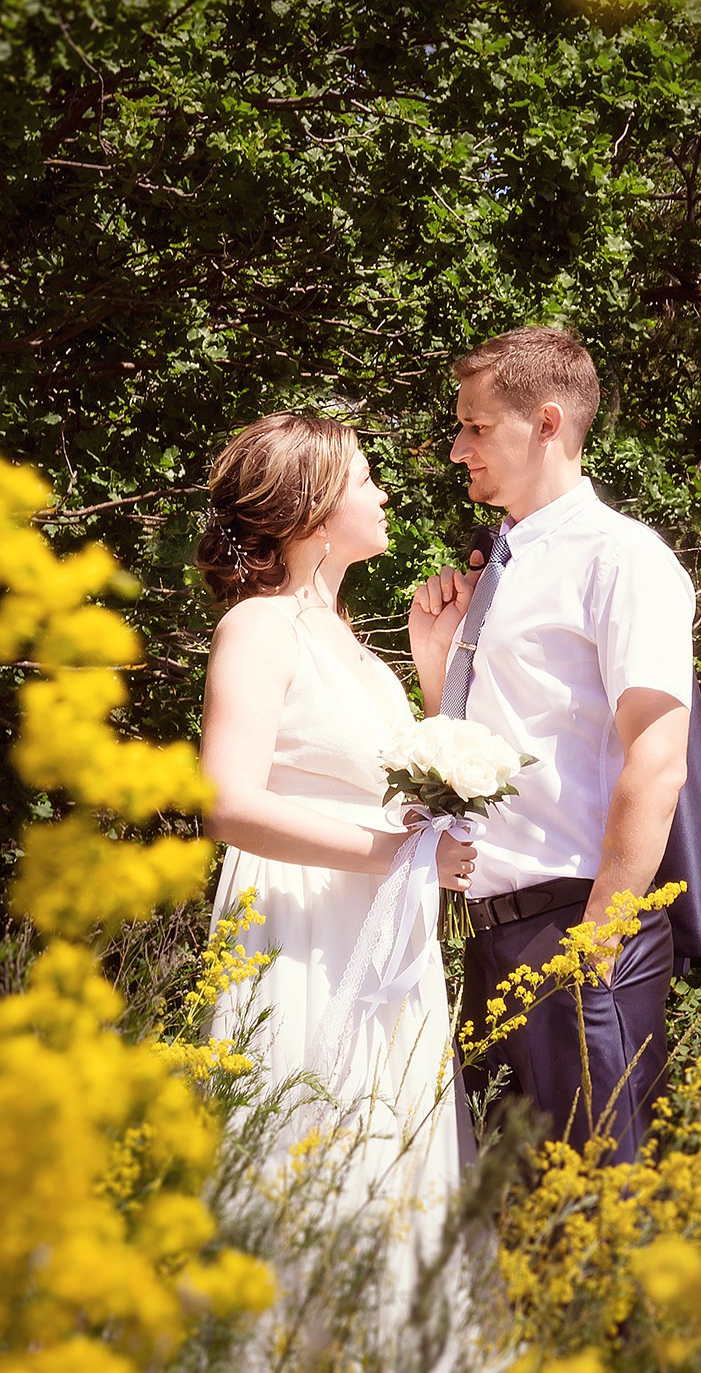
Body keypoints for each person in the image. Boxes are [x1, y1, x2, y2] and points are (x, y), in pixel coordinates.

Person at [195, 411, 472, 1340]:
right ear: (313, 510)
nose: (385, 493)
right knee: (306, 1157)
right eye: (365, 479)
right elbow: (226, 803)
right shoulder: (260, 627)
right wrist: (394, 856)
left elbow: (408, 797)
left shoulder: (359, 649)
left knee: (388, 1163)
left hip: (381, 934)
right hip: (300, 921)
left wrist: (433, 673)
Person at [409, 325, 701, 1165]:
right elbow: (485, 755)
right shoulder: (499, 569)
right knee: (509, 1224)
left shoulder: (621, 559)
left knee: (594, 1215)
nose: (457, 447)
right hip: (492, 937)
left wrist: (596, 944)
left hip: (578, 931)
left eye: (474, 426)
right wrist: (437, 666)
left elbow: (657, 754)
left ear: (544, 422)